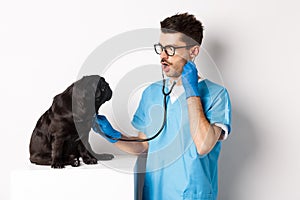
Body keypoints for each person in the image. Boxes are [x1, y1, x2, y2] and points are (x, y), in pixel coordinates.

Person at [93, 13, 231, 200]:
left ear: (194, 51)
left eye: (171, 49)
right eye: (161, 48)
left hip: (192, 195)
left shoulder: (216, 95)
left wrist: (192, 93)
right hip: (155, 194)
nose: (163, 57)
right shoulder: (152, 93)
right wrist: (111, 135)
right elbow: (143, 146)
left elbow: (203, 145)